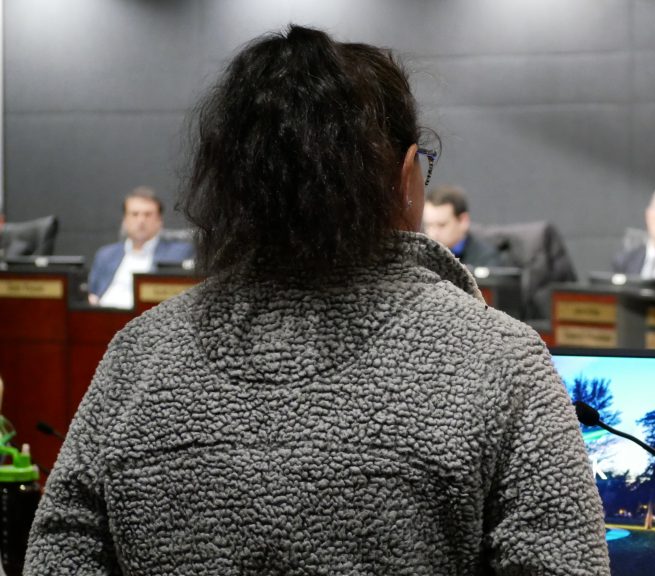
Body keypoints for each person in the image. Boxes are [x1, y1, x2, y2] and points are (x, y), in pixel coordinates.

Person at [26, 25, 609, 575]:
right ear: (407, 177)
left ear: (227, 184)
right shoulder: (502, 361)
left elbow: (58, 556)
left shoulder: (136, 358)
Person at [87, 187, 195, 309]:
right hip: (101, 315)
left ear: (159, 220)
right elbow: (91, 292)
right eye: (134, 214)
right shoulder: (105, 254)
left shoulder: (178, 254)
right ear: (125, 220)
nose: (141, 220)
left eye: (148, 214)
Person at [422, 184, 507, 268]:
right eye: (429, 225)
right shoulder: (420, 255)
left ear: (463, 221)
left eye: (441, 225)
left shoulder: (486, 260)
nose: (433, 233)